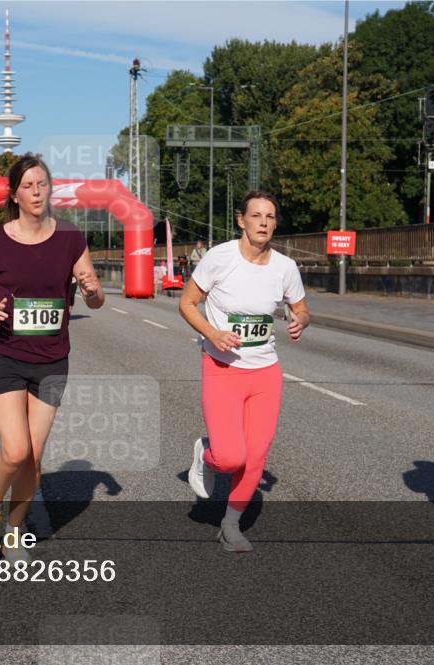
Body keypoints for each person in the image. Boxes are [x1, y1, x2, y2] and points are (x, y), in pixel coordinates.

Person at [0, 153, 104, 563]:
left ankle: (14, 529)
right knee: (14, 450)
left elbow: (93, 299)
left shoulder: (70, 240)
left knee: (34, 457)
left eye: (42, 183)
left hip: (50, 359)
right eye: (28, 185)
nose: (37, 191)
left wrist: (93, 290)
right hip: (4, 353)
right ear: (14, 194)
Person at [179, 191, 309, 553]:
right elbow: (187, 303)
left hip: (265, 372)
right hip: (222, 369)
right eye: (256, 216)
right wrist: (213, 333)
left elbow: (301, 307)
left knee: (256, 456)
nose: (264, 222)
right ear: (242, 220)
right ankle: (206, 454)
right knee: (230, 457)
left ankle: (230, 525)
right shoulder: (219, 258)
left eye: (270, 216)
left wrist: (300, 320)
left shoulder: (285, 267)